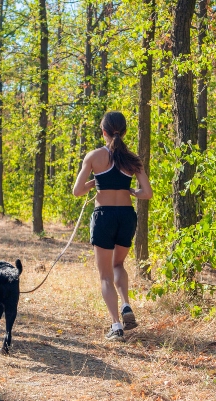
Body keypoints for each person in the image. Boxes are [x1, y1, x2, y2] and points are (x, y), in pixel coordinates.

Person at [73, 111, 153, 341]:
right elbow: (146, 193)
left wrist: (93, 183)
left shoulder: (94, 156)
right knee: (118, 264)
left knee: (105, 275)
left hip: (104, 216)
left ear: (103, 132)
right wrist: (131, 191)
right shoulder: (132, 159)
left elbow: (77, 191)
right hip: (127, 215)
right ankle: (126, 304)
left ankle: (116, 325)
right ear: (124, 131)